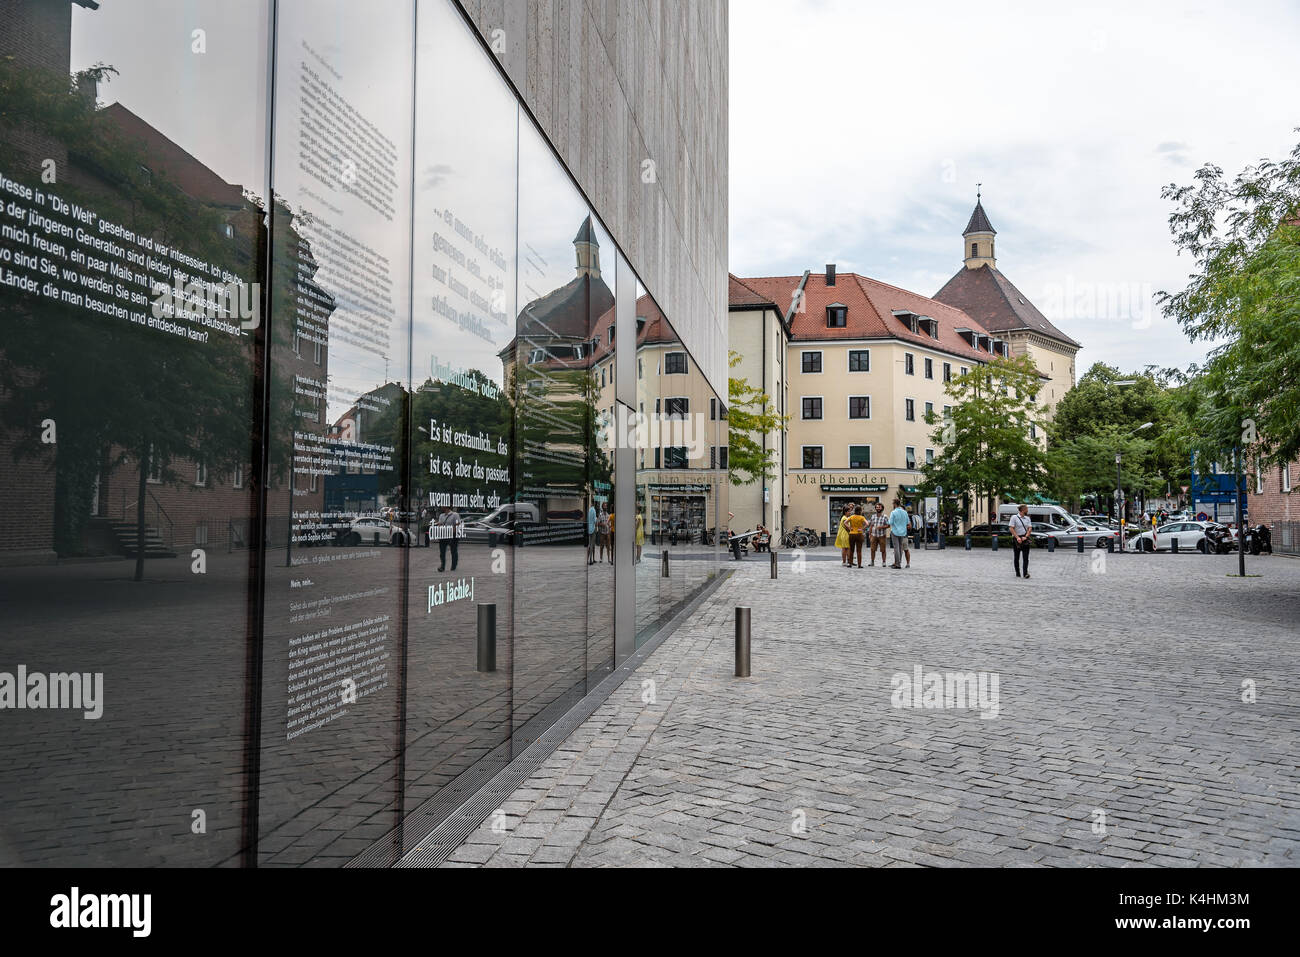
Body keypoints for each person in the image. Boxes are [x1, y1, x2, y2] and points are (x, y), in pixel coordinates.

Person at [436, 505, 462, 572]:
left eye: (442, 505)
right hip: (443, 535)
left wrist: (450, 532)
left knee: (453, 551)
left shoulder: (455, 514)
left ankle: (453, 566)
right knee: (442, 552)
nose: (441, 506)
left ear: (446, 506)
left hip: (452, 536)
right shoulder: (441, 515)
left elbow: (457, 524)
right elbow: (440, 525)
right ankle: (442, 566)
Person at [1009, 503, 1032, 579]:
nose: (1027, 510)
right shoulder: (1014, 517)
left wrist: (1026, 536)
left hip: (1025, 539)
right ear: (1022, 510)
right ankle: (1017, 572)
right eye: (1026, 509)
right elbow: (1011, 528)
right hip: (1017, 539)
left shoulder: (1028, 518)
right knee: (1017, 557)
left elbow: (1030, 528)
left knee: (1026, 557)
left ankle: (1025, 573)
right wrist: (1017, 537)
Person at [888, 498, 909, 569]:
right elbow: (907, 522)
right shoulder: (905, 512)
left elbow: (890, 522)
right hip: (903, 532)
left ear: (894, 504)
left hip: (895, 531)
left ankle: (897, 564)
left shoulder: (893, 512)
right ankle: (899, 562)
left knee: (896, 548)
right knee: (900, 547)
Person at [868, 502, 889, 567]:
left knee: (883, 550)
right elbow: (871, 526)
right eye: (876, 507)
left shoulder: (885, 517)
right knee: (872, 549)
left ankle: (884, 562)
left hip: (882, 535)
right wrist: (870, 534)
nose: (878, 508)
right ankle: (872, 562)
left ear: (882, 508)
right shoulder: (873, 516)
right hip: (874, 535)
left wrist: (881, 527)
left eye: (879, 507)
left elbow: (888, 525)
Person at [586, 500, 597, 565]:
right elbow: (595, 521)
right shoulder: (594, 510)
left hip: (589, 529)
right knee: (592, 545)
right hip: (593, 529)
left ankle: (588, 559)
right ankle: (590, 560)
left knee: (589, 544)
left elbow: (588, 520)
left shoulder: (589, 510)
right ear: (594, 503)